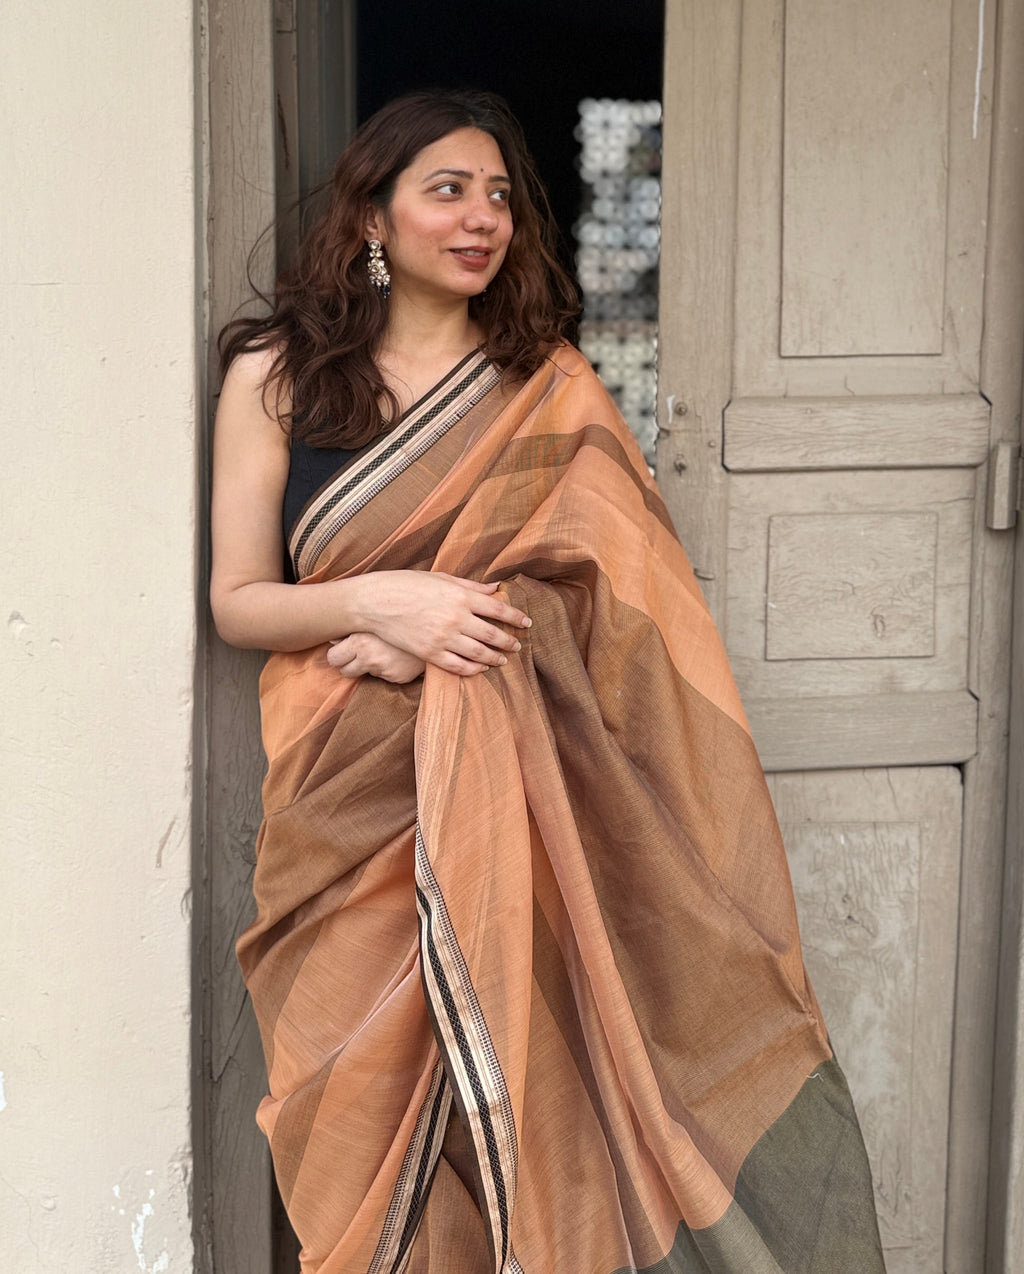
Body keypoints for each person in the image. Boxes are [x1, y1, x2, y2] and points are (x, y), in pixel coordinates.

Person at [211, 89, 885, 1274]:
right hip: (340, 819)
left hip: (520, 809)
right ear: (373, 212)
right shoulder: (279, 375)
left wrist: (466, 626)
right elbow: (239, 602)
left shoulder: (548, 386)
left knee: (530, 1092)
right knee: (354, 1122)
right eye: (448, 190)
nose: (482, 219)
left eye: (502, 196)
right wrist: (385, 602)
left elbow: (624, 601)